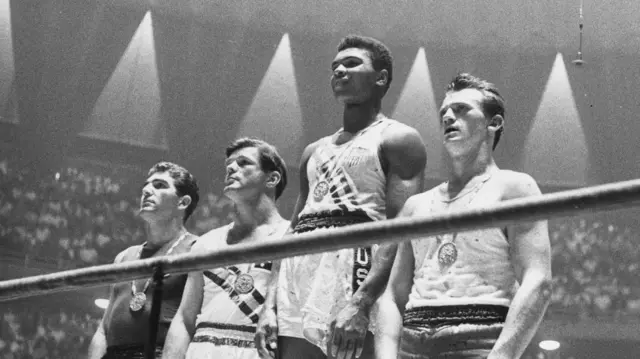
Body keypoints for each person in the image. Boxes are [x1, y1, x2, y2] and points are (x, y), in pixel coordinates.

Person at [255, 35, 428, 359]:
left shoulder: (399, 139)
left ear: (381, 77)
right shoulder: (313, 151)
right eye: (335, 67)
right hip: (297, 272)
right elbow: (291, 230)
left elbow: (401, 230)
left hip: (356, 269)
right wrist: (269, 305)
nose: (340, 71)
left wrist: (362, 302)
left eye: (351, 64)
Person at [375, 73, 553, 359]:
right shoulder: (416, 206)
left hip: (480, 342)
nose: (447, 116)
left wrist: (501, 356)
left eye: (461, 109)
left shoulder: (513, 188)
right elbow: (393, 296)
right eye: (444, 111)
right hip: (412, 343)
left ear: (493, 123)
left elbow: (538, 280)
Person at [161, 138, 290, 359]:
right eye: (229, 163)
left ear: (272, 178)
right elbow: (185, 318)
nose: (231, 168)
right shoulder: (206, 242)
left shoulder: (292, 237)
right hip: (201, 349)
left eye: (243, 163)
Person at [88, 162, 200, 359]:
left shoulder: (197, 250)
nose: (147, 190)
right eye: (146, 185)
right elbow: (103, 329)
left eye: (159, 185)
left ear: (182, 203)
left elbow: (191, 323)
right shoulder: (124, 257)